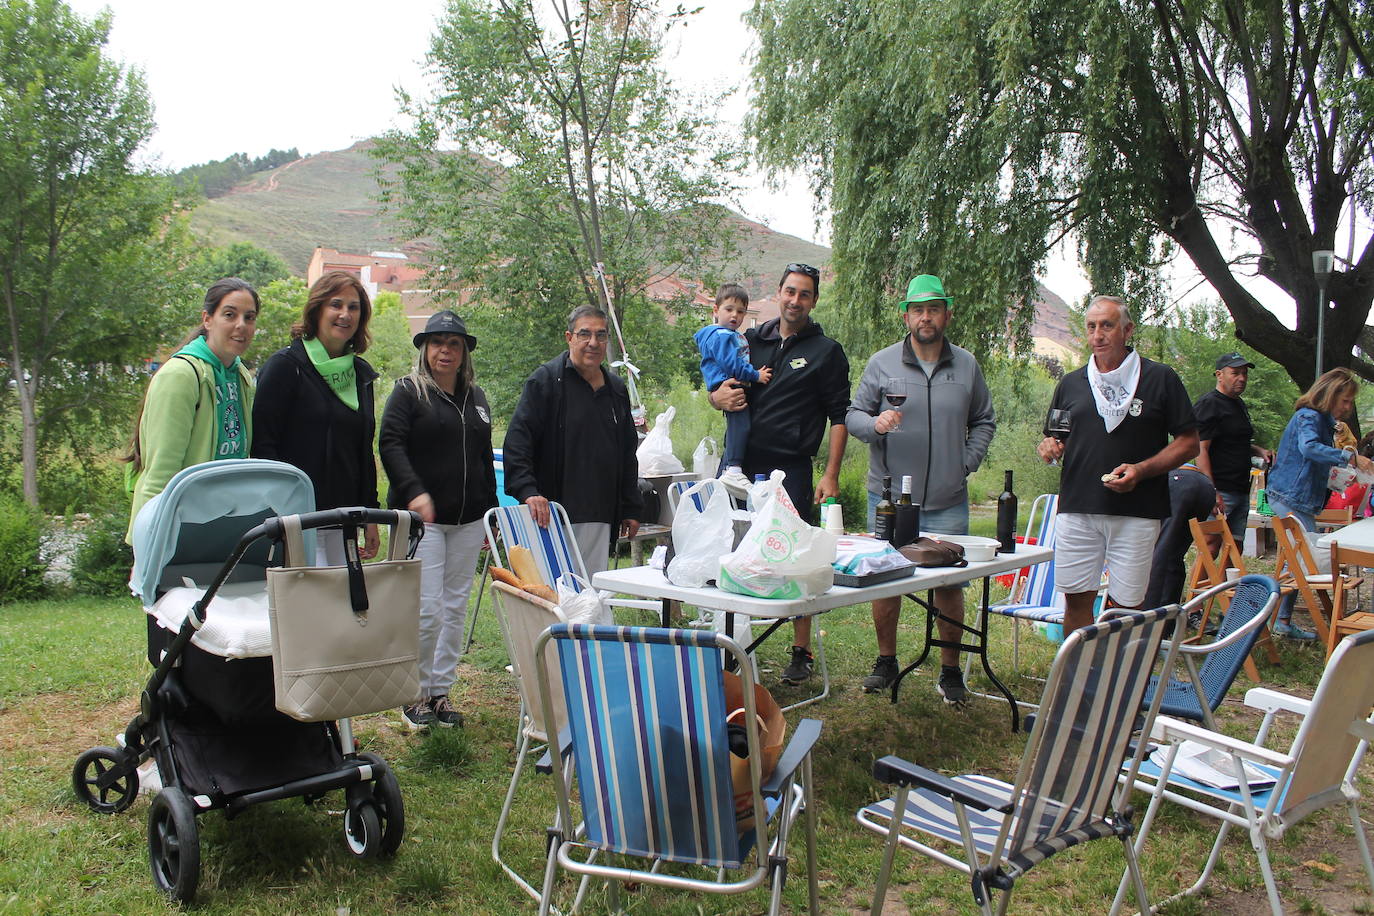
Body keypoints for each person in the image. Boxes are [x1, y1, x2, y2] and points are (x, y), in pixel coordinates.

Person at [845, 274, 995, 706]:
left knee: (949, 585)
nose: (925, 317)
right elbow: (853, 416)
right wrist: (875, 425)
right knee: (885, 579)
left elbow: (984, 420)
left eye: (933, 309)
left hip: (948, 499)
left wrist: (965, 463)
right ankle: (886, 661)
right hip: (890, 499)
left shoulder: (966, 365)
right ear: (906, 316)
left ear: (947, 314)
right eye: (917, 310)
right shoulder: (882, 363)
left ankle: (950, 672)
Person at [710, 263, 850, 685]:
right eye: (790, 291)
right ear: (778, 292)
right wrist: (716, 398)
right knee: (731, 550)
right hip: (739, 466)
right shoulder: (749, 340)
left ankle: (800, 651)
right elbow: (720, 381)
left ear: (814, 300)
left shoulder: (827, 352)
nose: (795, 300)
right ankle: (729, 645)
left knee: (795, 557)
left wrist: (831, 474)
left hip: (790, 469)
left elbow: (839, 417)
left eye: (804, 294)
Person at [1036, 295, 1199, 633]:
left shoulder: (1160, 378)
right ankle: (1079, 668)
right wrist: (1049, 447)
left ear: (1127, 330)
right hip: (1078, 509)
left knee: (1128, 608)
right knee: (1076, 603)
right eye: (1091, 327)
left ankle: (1119, 669)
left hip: (1138, 511)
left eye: (1107, 326)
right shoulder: (1071, 383)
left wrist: (1142, 470)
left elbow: (1189, 443)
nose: (1098, 335)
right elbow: (1055, 439)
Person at [379, 311, 497, 729]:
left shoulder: (476, 398)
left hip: (468, 520)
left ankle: (439, 691)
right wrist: (414, 491)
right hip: (423, 520)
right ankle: (412, 693)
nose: (445, 351)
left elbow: (483, 457)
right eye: (437, 343)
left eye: (454, 344)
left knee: (454, 608)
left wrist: (491, 511)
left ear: (464, 352)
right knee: (428, 610)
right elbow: (390, 444)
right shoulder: (408, 392)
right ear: (425, 349)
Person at [252, 270, 380, 564]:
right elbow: (263, 447)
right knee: (305, 593)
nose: (345, 314)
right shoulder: (285, 367)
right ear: (317, 309)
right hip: (297, 519)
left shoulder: (360, 374)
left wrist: (370, 513)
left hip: (345, 519)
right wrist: (279, 510)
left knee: (344, 593)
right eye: (336, 304)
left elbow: (363, 451)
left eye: (354, 307)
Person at [502, 305, 642, 574]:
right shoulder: (545, 382)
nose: (593, 342)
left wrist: (631, 506)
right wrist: (528, 492)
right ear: (569, 338)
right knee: (556, 591)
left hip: (600, 513)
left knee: (591, 589)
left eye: (601, 335)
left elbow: (627, 453)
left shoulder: (615, 390)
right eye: (584, 334)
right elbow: (518, 443)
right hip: (552, 514)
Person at [126, 278, 260, 541]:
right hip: (178, 527)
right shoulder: (180, 375)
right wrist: (149, 545)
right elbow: (161, 473)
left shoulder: (240, 375)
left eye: (249, 317)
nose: (241, 325)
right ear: (207, 319)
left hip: (221, 523)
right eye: (229, 315)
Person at [1266, 367, 1374, 637]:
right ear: (1330, 394)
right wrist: (1350, 457)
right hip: (1290, 496)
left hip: (1299, 498)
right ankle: (1276, 619)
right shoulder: (1309, 416)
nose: (1348, 408)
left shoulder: (1322, 421)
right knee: (1302, 561)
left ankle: (1280, 620)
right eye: (1345, 401)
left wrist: (1339, 477)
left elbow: (1314, 459)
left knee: (1297, 561)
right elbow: (1309, 448)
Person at [694, 283, 772, 496]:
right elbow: (732, 364)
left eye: (740, 311)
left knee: (737, 426)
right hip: (730, 382)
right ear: (716, 310)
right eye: (729, 309)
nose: (734, 315)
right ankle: (734, 469)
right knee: (740, 426)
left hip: (726, 382)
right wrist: (756, 375)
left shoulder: (725, 334)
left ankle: (729, 468)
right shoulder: (722, 336)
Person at [1194, 352, 1272, 541]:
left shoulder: (1239, 404)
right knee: (1211, 544)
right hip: (1220, 489)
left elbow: (1235, 440)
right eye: (1235, 373)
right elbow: (1200, 449)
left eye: (1245, 373)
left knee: (1236, 545)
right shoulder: (1209, 404)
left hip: (1242, 488)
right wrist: (1211, 492)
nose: (1242, 378)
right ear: (1219, 375)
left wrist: (1259, 450)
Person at [1141, 463, 1216, 611]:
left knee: (1161, 552)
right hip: (1203, 485)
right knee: (1173, 554)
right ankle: (1169, 615)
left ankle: (1149, 616)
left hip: (1180, 480)